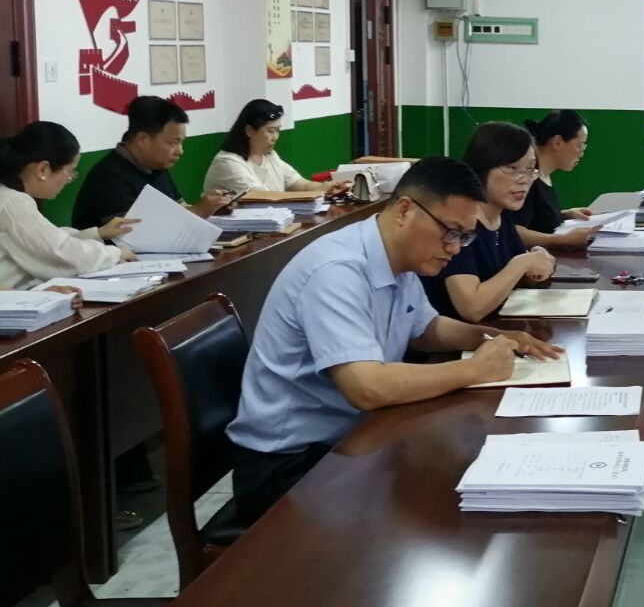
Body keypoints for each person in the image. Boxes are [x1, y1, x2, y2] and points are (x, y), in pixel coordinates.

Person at [226, 156, 563, 523]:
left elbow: (426, 329)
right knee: (437, 510)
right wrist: (475, 370)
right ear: (405, 210)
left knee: (458, 484)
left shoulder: (398, 258)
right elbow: (366, 387)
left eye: (464, 237)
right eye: (450, 232)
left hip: (353, 439)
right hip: (288, 465)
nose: (455, 248)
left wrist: (495, 337)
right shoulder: (337, 272)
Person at [422, 122, 557, 320]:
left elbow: (519, 277)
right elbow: (471, 308)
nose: (524, 179)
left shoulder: (502, 215)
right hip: (449, 336)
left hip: (491, 329)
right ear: (482, 166)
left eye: (530, 170)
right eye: (513, 168)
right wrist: (523, 263)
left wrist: (537, 262)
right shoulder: (458, 222)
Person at [0, 121, 138, 288]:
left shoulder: (8, 196)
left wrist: (98, 233)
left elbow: (49, 239)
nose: (69, 179)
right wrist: (115, 254)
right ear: (42, 169)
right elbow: (60, 255)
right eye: (70, 171)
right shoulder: (13, 203)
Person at [72, 95, 232, 230]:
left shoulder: (156, 167)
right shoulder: (108, 177)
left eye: (181, 142)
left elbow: (180, 211)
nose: (180, 151)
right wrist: (198, 211)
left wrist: (212, 208)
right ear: (143, 139)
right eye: (173, 142)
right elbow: (133, 233)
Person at [204, 99, 349, 197]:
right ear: (249, 130)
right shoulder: (227, 162)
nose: (275, 137)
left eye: (278, 130)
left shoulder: (270, 156)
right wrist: (318, 193)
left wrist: (326, 187)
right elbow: (262, 198)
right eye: (270, 131)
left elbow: (301, 185)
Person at [514, 110, 599, 250]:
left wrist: (565, 215)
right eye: (579, 146)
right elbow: (515, 231)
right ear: (557, 143)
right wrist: (564, 240)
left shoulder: (544, 176)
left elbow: (538, 219)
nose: (581, 153)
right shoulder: (529, 179)